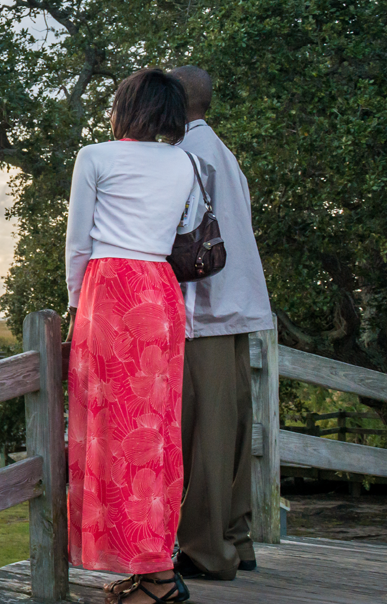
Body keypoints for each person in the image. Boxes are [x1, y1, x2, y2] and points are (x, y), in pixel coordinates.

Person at [65, 68, 206, 604]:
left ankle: (160, 580)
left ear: (126, 106)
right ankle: (150, 567)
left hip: (112, 291)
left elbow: (78, 241)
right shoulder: (186, 162)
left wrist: (78, 306)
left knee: (110, 431)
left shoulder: (95, 157)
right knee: (153, 432)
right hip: (160, 290)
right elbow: (181, 234)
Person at [168, 65, 274, 581]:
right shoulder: (222, 152)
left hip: (203, 308)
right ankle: (236, 536)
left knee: (207, 432)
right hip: (237, 305)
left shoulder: (184, 155)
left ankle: (207, 551)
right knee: (231, 426)